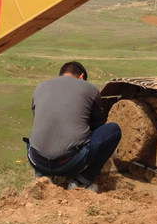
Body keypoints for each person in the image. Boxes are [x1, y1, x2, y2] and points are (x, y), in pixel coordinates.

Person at [27, 61, 121, 191]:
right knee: (112, 130)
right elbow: (97, 125)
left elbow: (37, 118)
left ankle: (42, 175)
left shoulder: (40, 87)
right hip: (68, 163)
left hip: (36, 160)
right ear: (81, 77)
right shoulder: (89, 88)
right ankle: (82, 181)